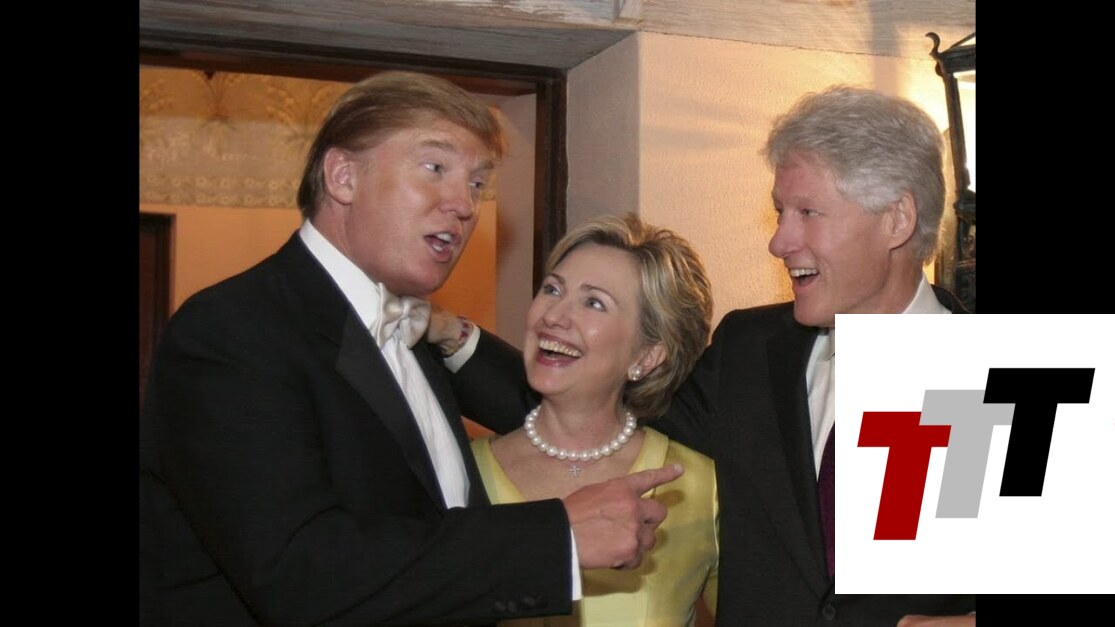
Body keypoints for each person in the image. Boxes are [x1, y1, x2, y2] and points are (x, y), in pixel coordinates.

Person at [139, 70, 684, 626]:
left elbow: (569, 413)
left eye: (477, 183)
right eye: (435, 168)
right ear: (343, 176)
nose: (465, 204)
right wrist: (556, 539)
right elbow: (299, 574)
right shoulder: (235, 330)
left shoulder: (413, 337)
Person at [432, 86, 976, 626]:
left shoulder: (993, 379)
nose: (779, 241)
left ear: (897, 219)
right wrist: (453, 337)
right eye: (780, 212)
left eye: (809, 212)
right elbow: (596, 411)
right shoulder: (750, 350)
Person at [464, 214, 718, 626]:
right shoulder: (454, 472)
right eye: (552, 289)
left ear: (648, 355)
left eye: (594, 302)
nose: (553, 316)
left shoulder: (700, 487)